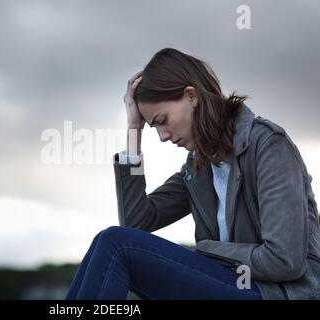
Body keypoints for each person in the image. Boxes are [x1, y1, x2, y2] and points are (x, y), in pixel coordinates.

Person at [65, 48, 320, 300]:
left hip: (277, 294)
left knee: (116, 243)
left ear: (191, 96)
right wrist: (134, 130)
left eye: (162, 120)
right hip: (231, 286)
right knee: (109, 242)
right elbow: (136, 223)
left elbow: (284, 261)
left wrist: (208, 251)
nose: (162, 137)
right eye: (153, 127)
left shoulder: (268, 145)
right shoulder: (198, 167)